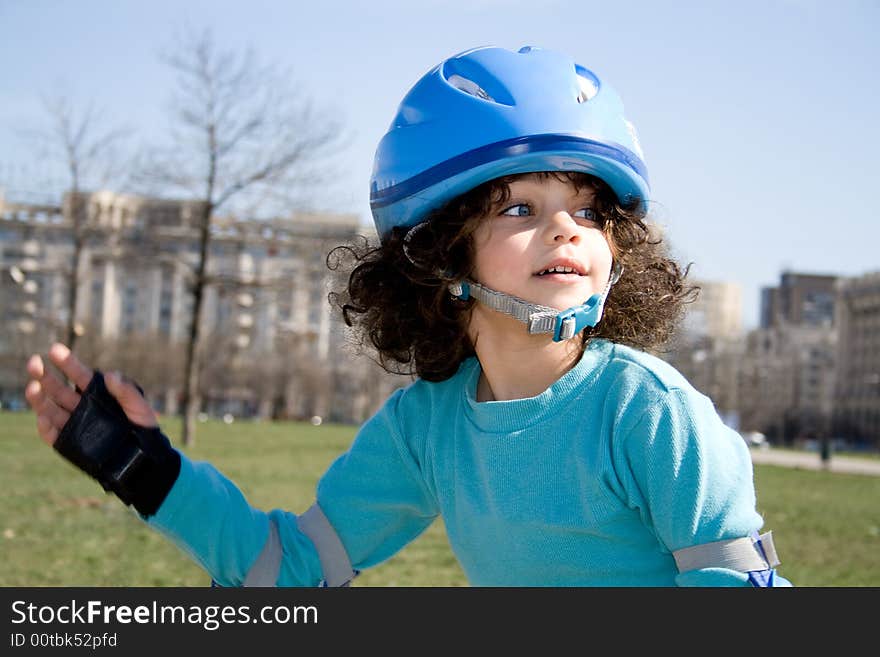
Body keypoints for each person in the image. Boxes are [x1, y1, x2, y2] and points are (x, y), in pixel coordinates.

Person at [25, 45, 791, 587]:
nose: (566, 230)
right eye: (520, 206)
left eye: (589, 210)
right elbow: (290, 568)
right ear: (443, 255)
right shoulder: (427, 429)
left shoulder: (653, 418)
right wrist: (147, 469)